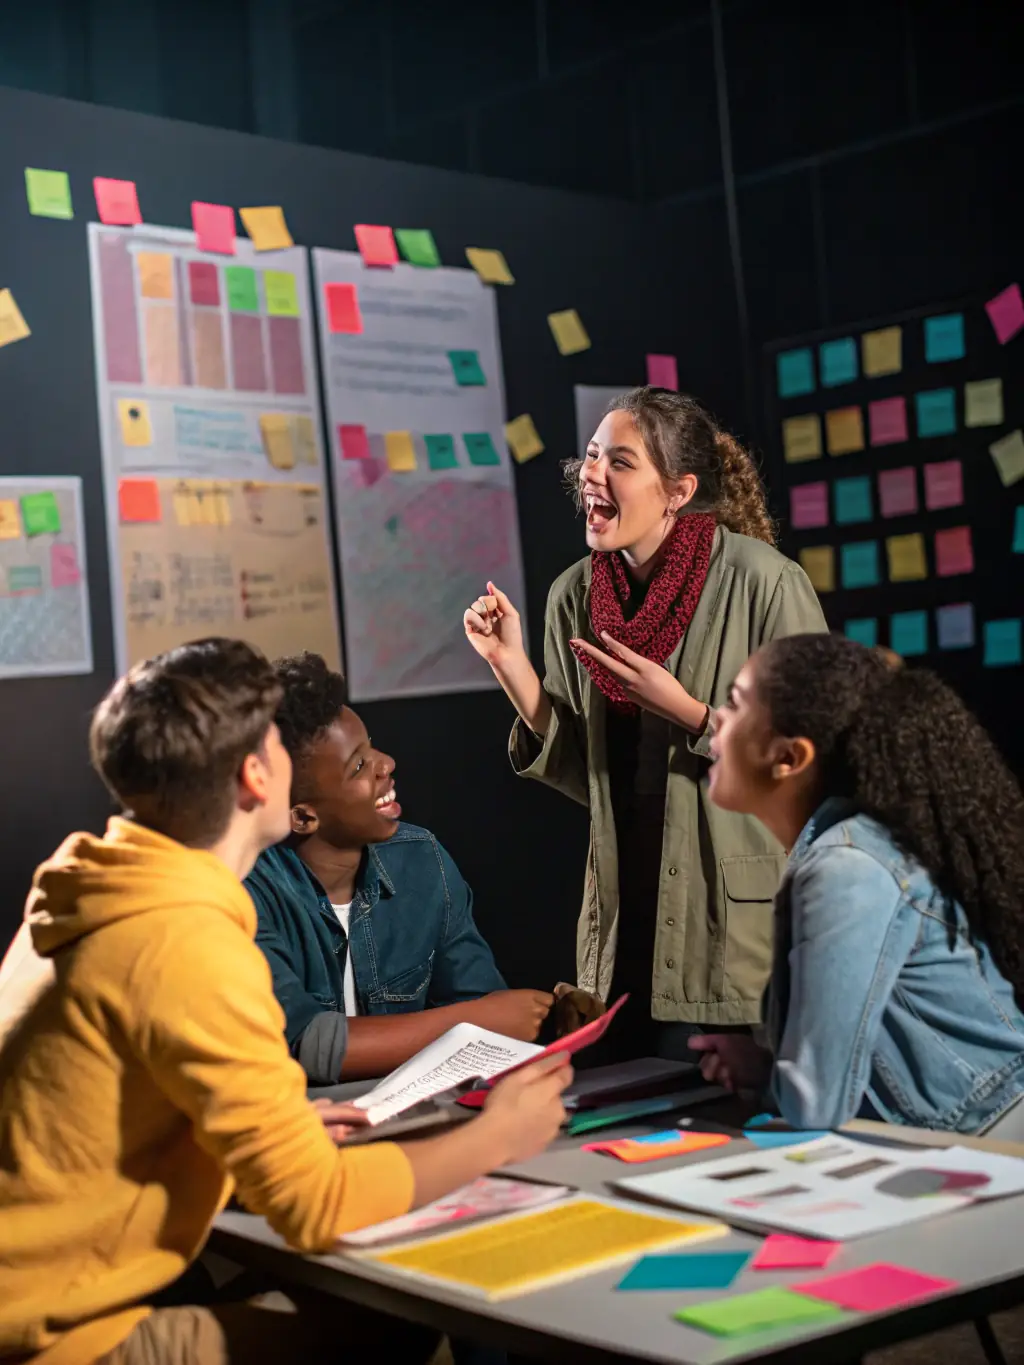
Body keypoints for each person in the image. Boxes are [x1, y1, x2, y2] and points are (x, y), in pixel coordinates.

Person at [0, 638, 571, 1365]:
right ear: (257, 776)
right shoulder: (185, 942)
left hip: (37, 1292)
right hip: (63, 1334)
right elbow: (316, 1205)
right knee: (406, 1327)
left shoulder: (97, 890)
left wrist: (282, 1119)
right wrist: (501, 1136)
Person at [463, 387, 826, 1060]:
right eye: (592, 456)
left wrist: (685, 710)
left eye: (620, 462)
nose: (591, 475)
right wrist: (512, 668)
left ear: (678, 491)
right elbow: (590, 779)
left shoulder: (764, 583)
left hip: (729, 927)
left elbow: (811, 765)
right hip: (623, 923)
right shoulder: (573, 596)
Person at [690, 633, 1024, 1134]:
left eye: (735, 703)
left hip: (992, 1144)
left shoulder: (846, 866)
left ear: (788, 758)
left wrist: (782, 1079)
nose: (716, 717)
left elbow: (814, 1107)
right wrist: (763, 1067)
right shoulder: (844, 848)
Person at [245, 652, 557, 1086]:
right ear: (302, 817)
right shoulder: (245, 892)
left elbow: (485, 1007)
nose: (386, 763)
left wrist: (544, 1020)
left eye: (372, 746)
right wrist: (475, 1021)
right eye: (358, 765)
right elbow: (303, 1045)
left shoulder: (421, 859)